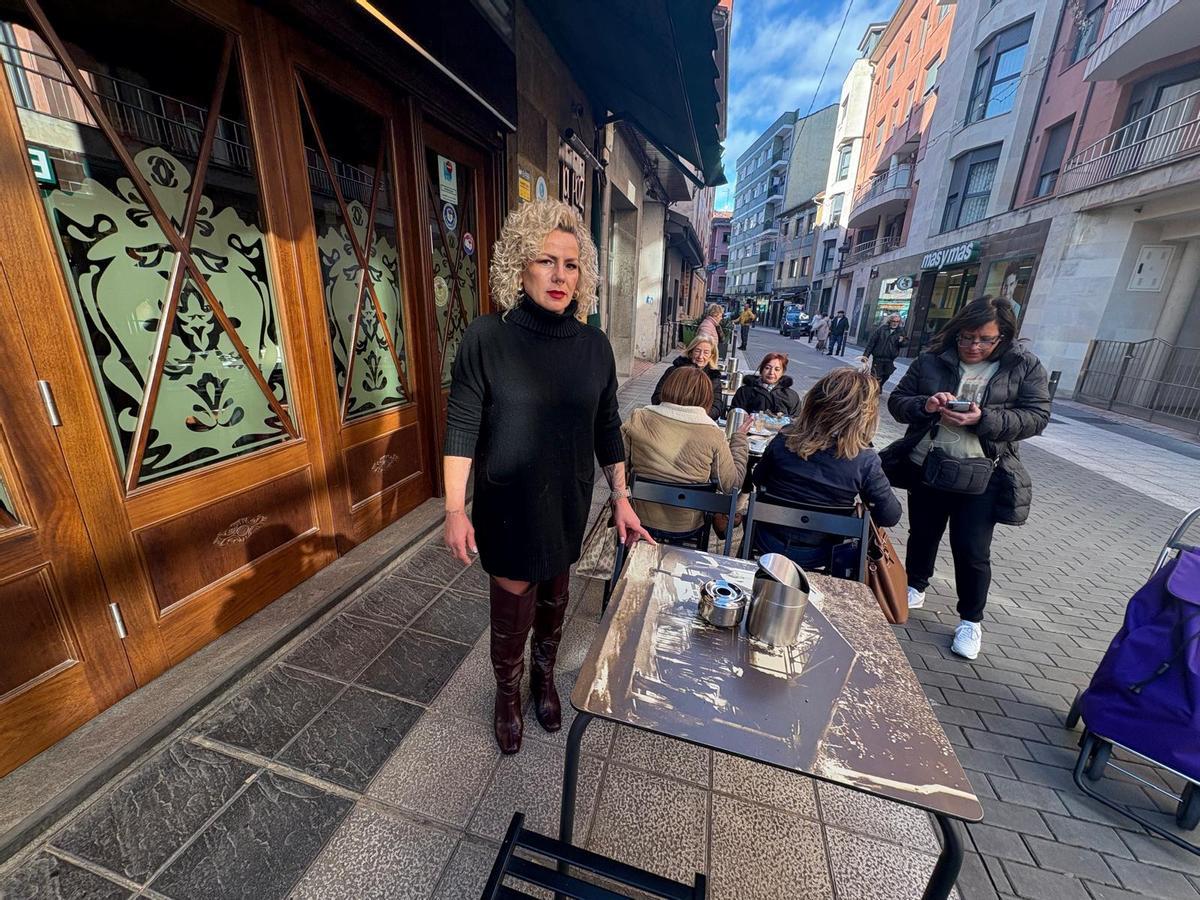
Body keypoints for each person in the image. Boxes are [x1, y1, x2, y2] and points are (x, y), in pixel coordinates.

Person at [443, 199, 653, 754]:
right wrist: (454, 509)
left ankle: (544, 677)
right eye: (546, 261)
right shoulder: (486, 338)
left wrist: (622, 497)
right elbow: (462, 424)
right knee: (513, 608)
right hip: (507, 506)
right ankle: (507, 692)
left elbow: (608, 425)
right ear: (519, 268)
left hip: (566, 500)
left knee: (556, 600)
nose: (560, 275)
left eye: (571, 264)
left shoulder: (594, 347)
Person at [883, 296, 1050, 661]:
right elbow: (897, 401)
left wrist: (983, 419)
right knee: (923, 533)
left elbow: (1036, 416)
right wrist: (926, 405)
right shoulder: (931, 359)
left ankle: (971, 620)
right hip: (929, 466)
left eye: (984, 339)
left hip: (985, 473)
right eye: (966, 337)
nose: (973, 346)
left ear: (1003, 336)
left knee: (972, 550)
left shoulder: (1022, 365)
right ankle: (915, 584)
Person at [751, 368, 901, 571]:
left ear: (814, 402)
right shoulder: (864, 460)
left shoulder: (786, 439)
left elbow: (758, 479)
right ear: (864, 415)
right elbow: (890, 516)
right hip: (824, 552)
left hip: (767, 540)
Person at [624, 366, 751, 542]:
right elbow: (730, 485)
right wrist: (739, 440)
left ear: (669, 387)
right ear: (707, 397)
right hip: (686, 527)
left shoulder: (638, 417)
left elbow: (618, 465)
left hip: (638, 519)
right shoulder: (713, 433)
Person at [651, 335, 725, 420]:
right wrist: (675, 413)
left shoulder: (713, 378)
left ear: (711, 356)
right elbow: (656, 397)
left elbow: (717, 408)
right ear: (690, 352)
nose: (700, 356)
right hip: (669, 419)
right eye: (697, 351)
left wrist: (694, 417)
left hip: (697, 424)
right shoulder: (673, 371)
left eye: (706, 352)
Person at [731, 352, 802, 417]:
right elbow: (735, 414)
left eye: (777, 369)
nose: (771, 372)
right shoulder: (745, 391)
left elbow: (796, 420)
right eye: (767, 368)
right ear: (761, 370)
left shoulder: (791, 395)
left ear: (782, 373)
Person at [863, 313, 908, 386]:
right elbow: (872, 342)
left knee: (887, 373)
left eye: (897, 321)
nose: (895, 323)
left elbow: (905, 344)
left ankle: (879, 386)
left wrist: (902, 341)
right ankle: (873, 390)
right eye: (893, 321)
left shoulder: (901, 331)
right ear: (890, 321)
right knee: (875, 376)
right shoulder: (882, 329)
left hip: (890, 358)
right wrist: (865, 355)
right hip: (878, 357)